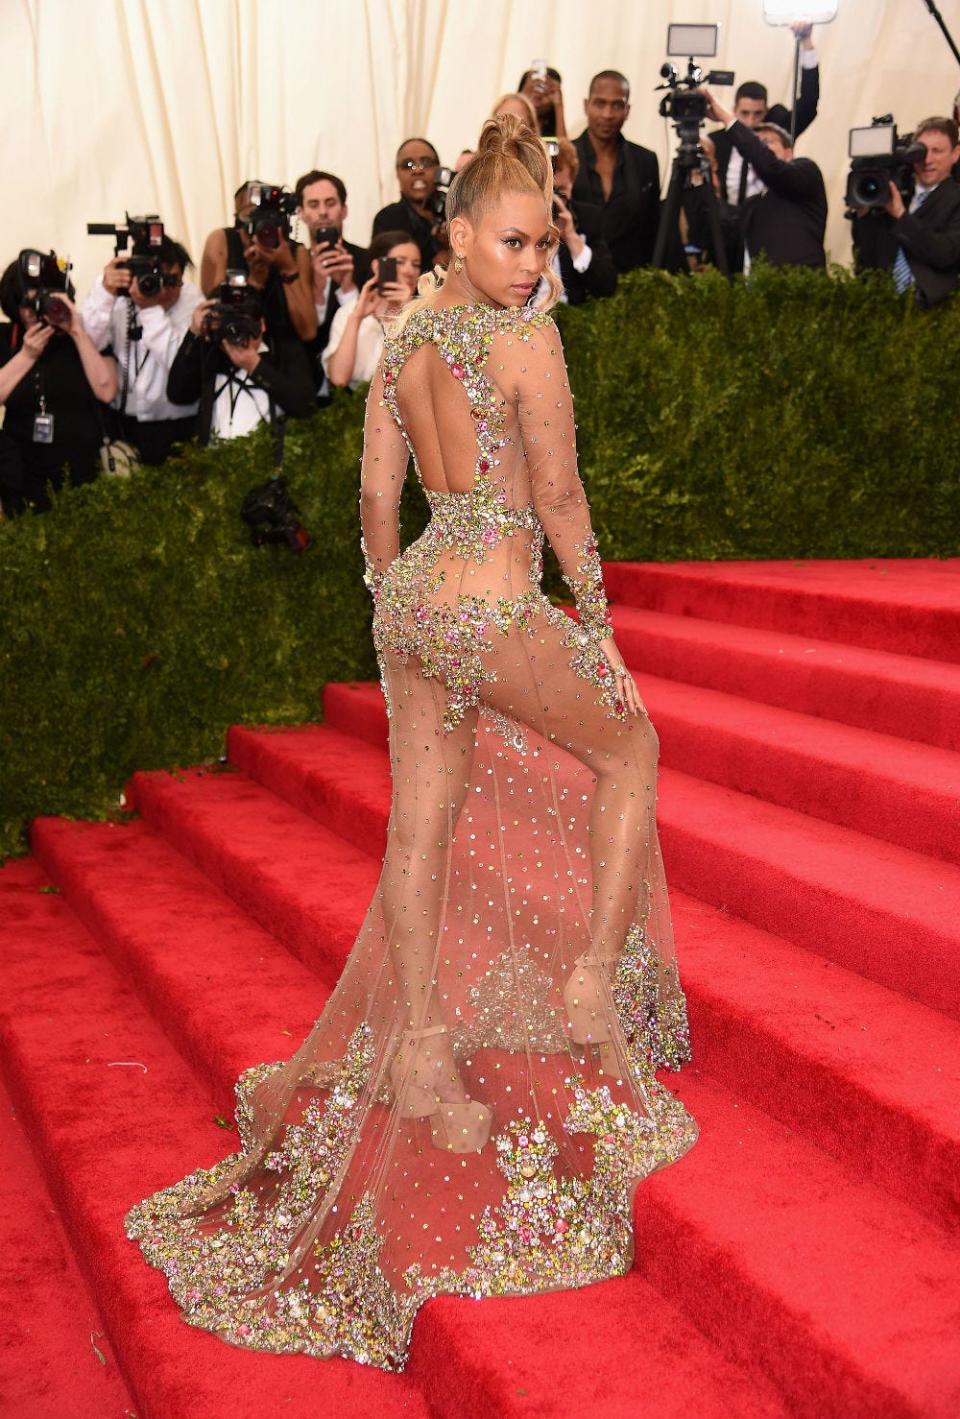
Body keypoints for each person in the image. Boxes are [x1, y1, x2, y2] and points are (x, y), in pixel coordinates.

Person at [125, 112, 697, 1372]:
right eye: (512, 241)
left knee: (422, 829)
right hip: (492, 599)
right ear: (457, 232)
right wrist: (593, 611)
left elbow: (377, 499)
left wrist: (394, 602)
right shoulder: (527, 341)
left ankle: (427, 1051)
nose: (533, 265)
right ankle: (593, 975)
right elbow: (557, 497)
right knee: (633, 751)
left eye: (544, 245)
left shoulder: (397, 336)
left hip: (420, 605)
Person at [0, 253, 117, 515]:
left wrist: (76, 329)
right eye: (27, 304)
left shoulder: (86, 334)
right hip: (21, 475)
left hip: (82, 473)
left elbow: (107, 391)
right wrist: (26, 355)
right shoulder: (7, 338)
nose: (35, 312)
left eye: (43, 301)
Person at [80, 236, 202, 465]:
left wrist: (149, 310)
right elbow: (89, 344)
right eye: (155, 278)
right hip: (122, 425)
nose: (164, 289)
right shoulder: (118, 296)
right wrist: (105, 293)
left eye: (172, 280)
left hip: (178, 428)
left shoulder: (192, 301)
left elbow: (182, 365)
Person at [166, 285, 314, 444]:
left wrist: (255, 366)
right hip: (214, 459)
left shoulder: (284, 351)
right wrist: (194, 333)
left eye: (243, 322)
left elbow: (305, 406)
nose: (236, 330)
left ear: (262, 324)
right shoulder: (211, 353)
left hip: (270, 459)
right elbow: (178, 395)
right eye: (228, 323)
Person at [702, 91, 827, 270]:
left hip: (802, 289)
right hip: (759, 291)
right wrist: (706, 184)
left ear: (789, 152)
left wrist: (725, 118)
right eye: (759, 144)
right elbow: (727, 233)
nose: (762, 149)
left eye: (768, 142)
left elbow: (770, 166)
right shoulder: (754, 202)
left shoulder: (807, 171)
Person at [851, 117, 960, 308]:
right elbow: (867, 257)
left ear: (955, 154)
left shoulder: (955, 199)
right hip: (882, 306)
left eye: (937, 151)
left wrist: (902, 216)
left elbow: (945, 254)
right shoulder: (891, 193)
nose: (927, 160)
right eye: (922, 151)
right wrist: (864, 215)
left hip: (932, 311)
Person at [200, 182, 317, 343]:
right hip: (236, 343)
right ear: (237, 217)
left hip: (284, 350)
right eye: (251, 211)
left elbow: (308, 331)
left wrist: (288, 267)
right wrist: (253, 283)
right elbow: (214, 310)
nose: (258, 217)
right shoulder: (223, 241)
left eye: (265, 211)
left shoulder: (295, 251)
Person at [571, 70, 661, 273]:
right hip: (574, 283)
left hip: (630, 283)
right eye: (600, 103)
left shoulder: (645, 161)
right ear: (586, 105)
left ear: (627, 110)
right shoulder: (564, 158)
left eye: (617, 105)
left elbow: (652, 229)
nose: (607, 114)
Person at [294, 169, 372, 397]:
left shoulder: (367, 261)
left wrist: (348, 289)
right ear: (301, 213)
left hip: (356, 390)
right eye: (314, 205)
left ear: (344, 210)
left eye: (330, 203)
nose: (323, 212)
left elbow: (373, 331)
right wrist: (316, 289)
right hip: (307, 390)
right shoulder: (293, 267)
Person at [321, 232, 420, 390]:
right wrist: (356, 318)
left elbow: (418, 377)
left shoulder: (424, 316)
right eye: (400, 262)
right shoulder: (350, 311)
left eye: (416, 265)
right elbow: (339, 379)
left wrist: (407, 312)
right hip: (356, 408)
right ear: (377, 266)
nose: (409, 271)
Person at [541, 138, 617, 304]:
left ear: (573, 182)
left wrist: (571, 236)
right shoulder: (517, 221)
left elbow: (606, 287)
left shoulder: (588, 218)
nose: (553, 200)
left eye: (559, 191)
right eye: (546, 192)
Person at [372, 138, 447, 273]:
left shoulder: (457, 210)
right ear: (397, 174)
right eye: (408, 165)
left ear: (439, 170)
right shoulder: (387, 220)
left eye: (425, 163)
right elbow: (386, 277)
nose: (417, 170)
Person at [518, 64, 567, 138]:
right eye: (538, 85)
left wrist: (559, 107)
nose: (541, 93)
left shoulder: (550, 128)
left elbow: (563, 147)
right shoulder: (510, 109)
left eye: (549, 90)